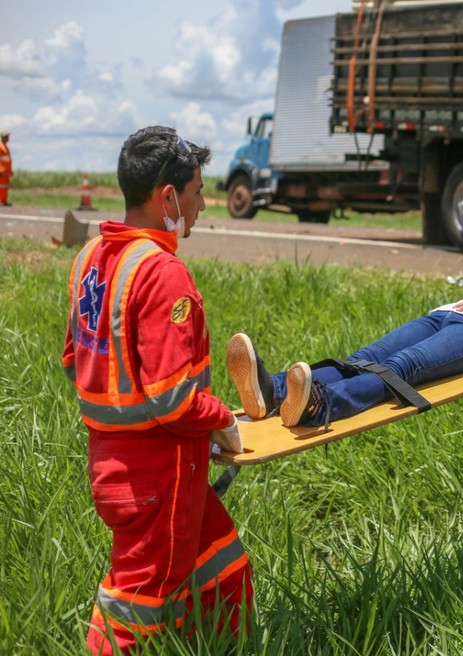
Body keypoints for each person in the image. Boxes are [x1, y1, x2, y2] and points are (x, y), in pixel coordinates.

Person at [60, 126, 253, 654]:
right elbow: (172, 398)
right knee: (132, 608)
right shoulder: (162, 273)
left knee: (224, 568)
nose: (201, 203)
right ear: (167, 197)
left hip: (113, 466)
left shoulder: (90, 260)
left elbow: (74, 359)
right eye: (194, 191)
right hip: (159, 475)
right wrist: (222, 421)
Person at [226, 228, 463, 429]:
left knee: (404, 366)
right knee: (363, 358)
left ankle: (320, 407)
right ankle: (271, 392)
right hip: (443, 315)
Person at [0, 130, 12, 206]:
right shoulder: (0, 146)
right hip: (2, 170)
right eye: (7, 136)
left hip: (6, 170)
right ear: (3, 137)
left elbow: (8, 159)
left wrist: (11, 170)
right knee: (1, 186)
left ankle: (4, 201)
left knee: (5, 186)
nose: (8, 138)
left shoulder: (6, 147)